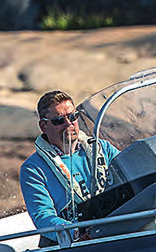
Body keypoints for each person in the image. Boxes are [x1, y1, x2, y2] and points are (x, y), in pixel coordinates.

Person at [20, 90, 119, 242]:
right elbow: (43, 216)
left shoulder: (102, 148)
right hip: (73, 246)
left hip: (114, 228)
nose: (68, 123)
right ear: (43, 126)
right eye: (59, 120)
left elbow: (132, 170)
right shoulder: (33, 169)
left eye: (73, 117)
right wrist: (76, 234)